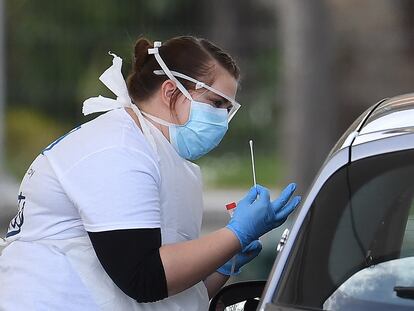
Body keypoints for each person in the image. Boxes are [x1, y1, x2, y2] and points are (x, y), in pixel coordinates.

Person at [0, 36, 301, 310]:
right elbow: (144, 278)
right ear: (171, 91)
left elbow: (171, 293)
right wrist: (235, 235)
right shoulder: (118, 150)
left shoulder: (165, 158)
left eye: (228, 108)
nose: (222, 119)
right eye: (216, 103)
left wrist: (222, 263)